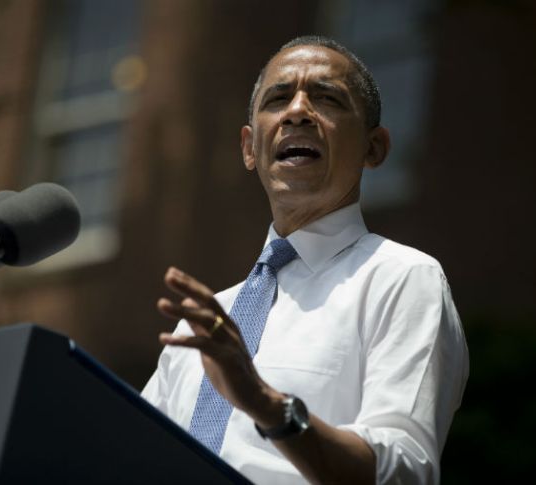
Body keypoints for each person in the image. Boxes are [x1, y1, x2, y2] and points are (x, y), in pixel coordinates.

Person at [141, 35, 469, 484]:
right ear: (248, 147)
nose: (297, 111)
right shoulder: (197, 328)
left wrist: (262, 402)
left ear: (374, 148)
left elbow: (403, 472)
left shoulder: (402, 279)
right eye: (279, 98)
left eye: (327, 98)